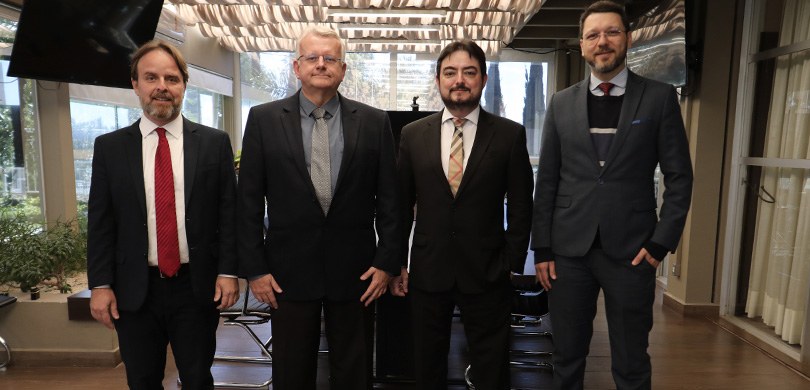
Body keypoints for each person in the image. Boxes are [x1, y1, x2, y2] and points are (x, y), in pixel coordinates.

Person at [531, 1, 694, 389]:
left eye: (611, 32)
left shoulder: (658, 99)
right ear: (582, 44)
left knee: (631, 359)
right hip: (568, 253)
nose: (602, 41)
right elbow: (548, 180)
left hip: (633, 252)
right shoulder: (561, 103)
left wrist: (660, 243)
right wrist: (542, 249)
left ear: (627, 38)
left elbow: (680, 177)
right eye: (592, 35)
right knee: (567, 355)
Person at [236, 26, 401, 390]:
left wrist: (387, 262)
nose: (321, 64)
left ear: (343, 69)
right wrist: (254, 269)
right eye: (312, 57)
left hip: (358, 272)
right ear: (297, 67)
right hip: (285, 273)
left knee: (354, 373)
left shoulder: (374, 122)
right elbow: (247, 202)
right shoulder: (263, 119)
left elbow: (391, 199)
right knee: (292, 373)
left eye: (331, 58)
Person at [87, 40, 239, 389]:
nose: (162, 87)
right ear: (135, 84)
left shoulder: (214, 143)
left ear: (184, 85)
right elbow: (101, 223)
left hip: (196, 285)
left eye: (172, 78)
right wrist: (100, 284)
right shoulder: (109, 148)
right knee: (142, 380)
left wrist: (229, 271)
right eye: (151, 77)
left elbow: (228, 213)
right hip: (134, 289)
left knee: (198, 378)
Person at [390, 39, 534, 389]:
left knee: (491, 365)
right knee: (427, 364)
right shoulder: (412, 136)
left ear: (483, 79)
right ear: (438, 80)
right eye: (450, 72)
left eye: (469, 72)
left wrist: (512, 263)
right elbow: (398, 205)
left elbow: (520, 203)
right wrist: (397, 263)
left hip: (487, 271)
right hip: (428, 269)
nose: (459, 80)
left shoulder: (509, 135)